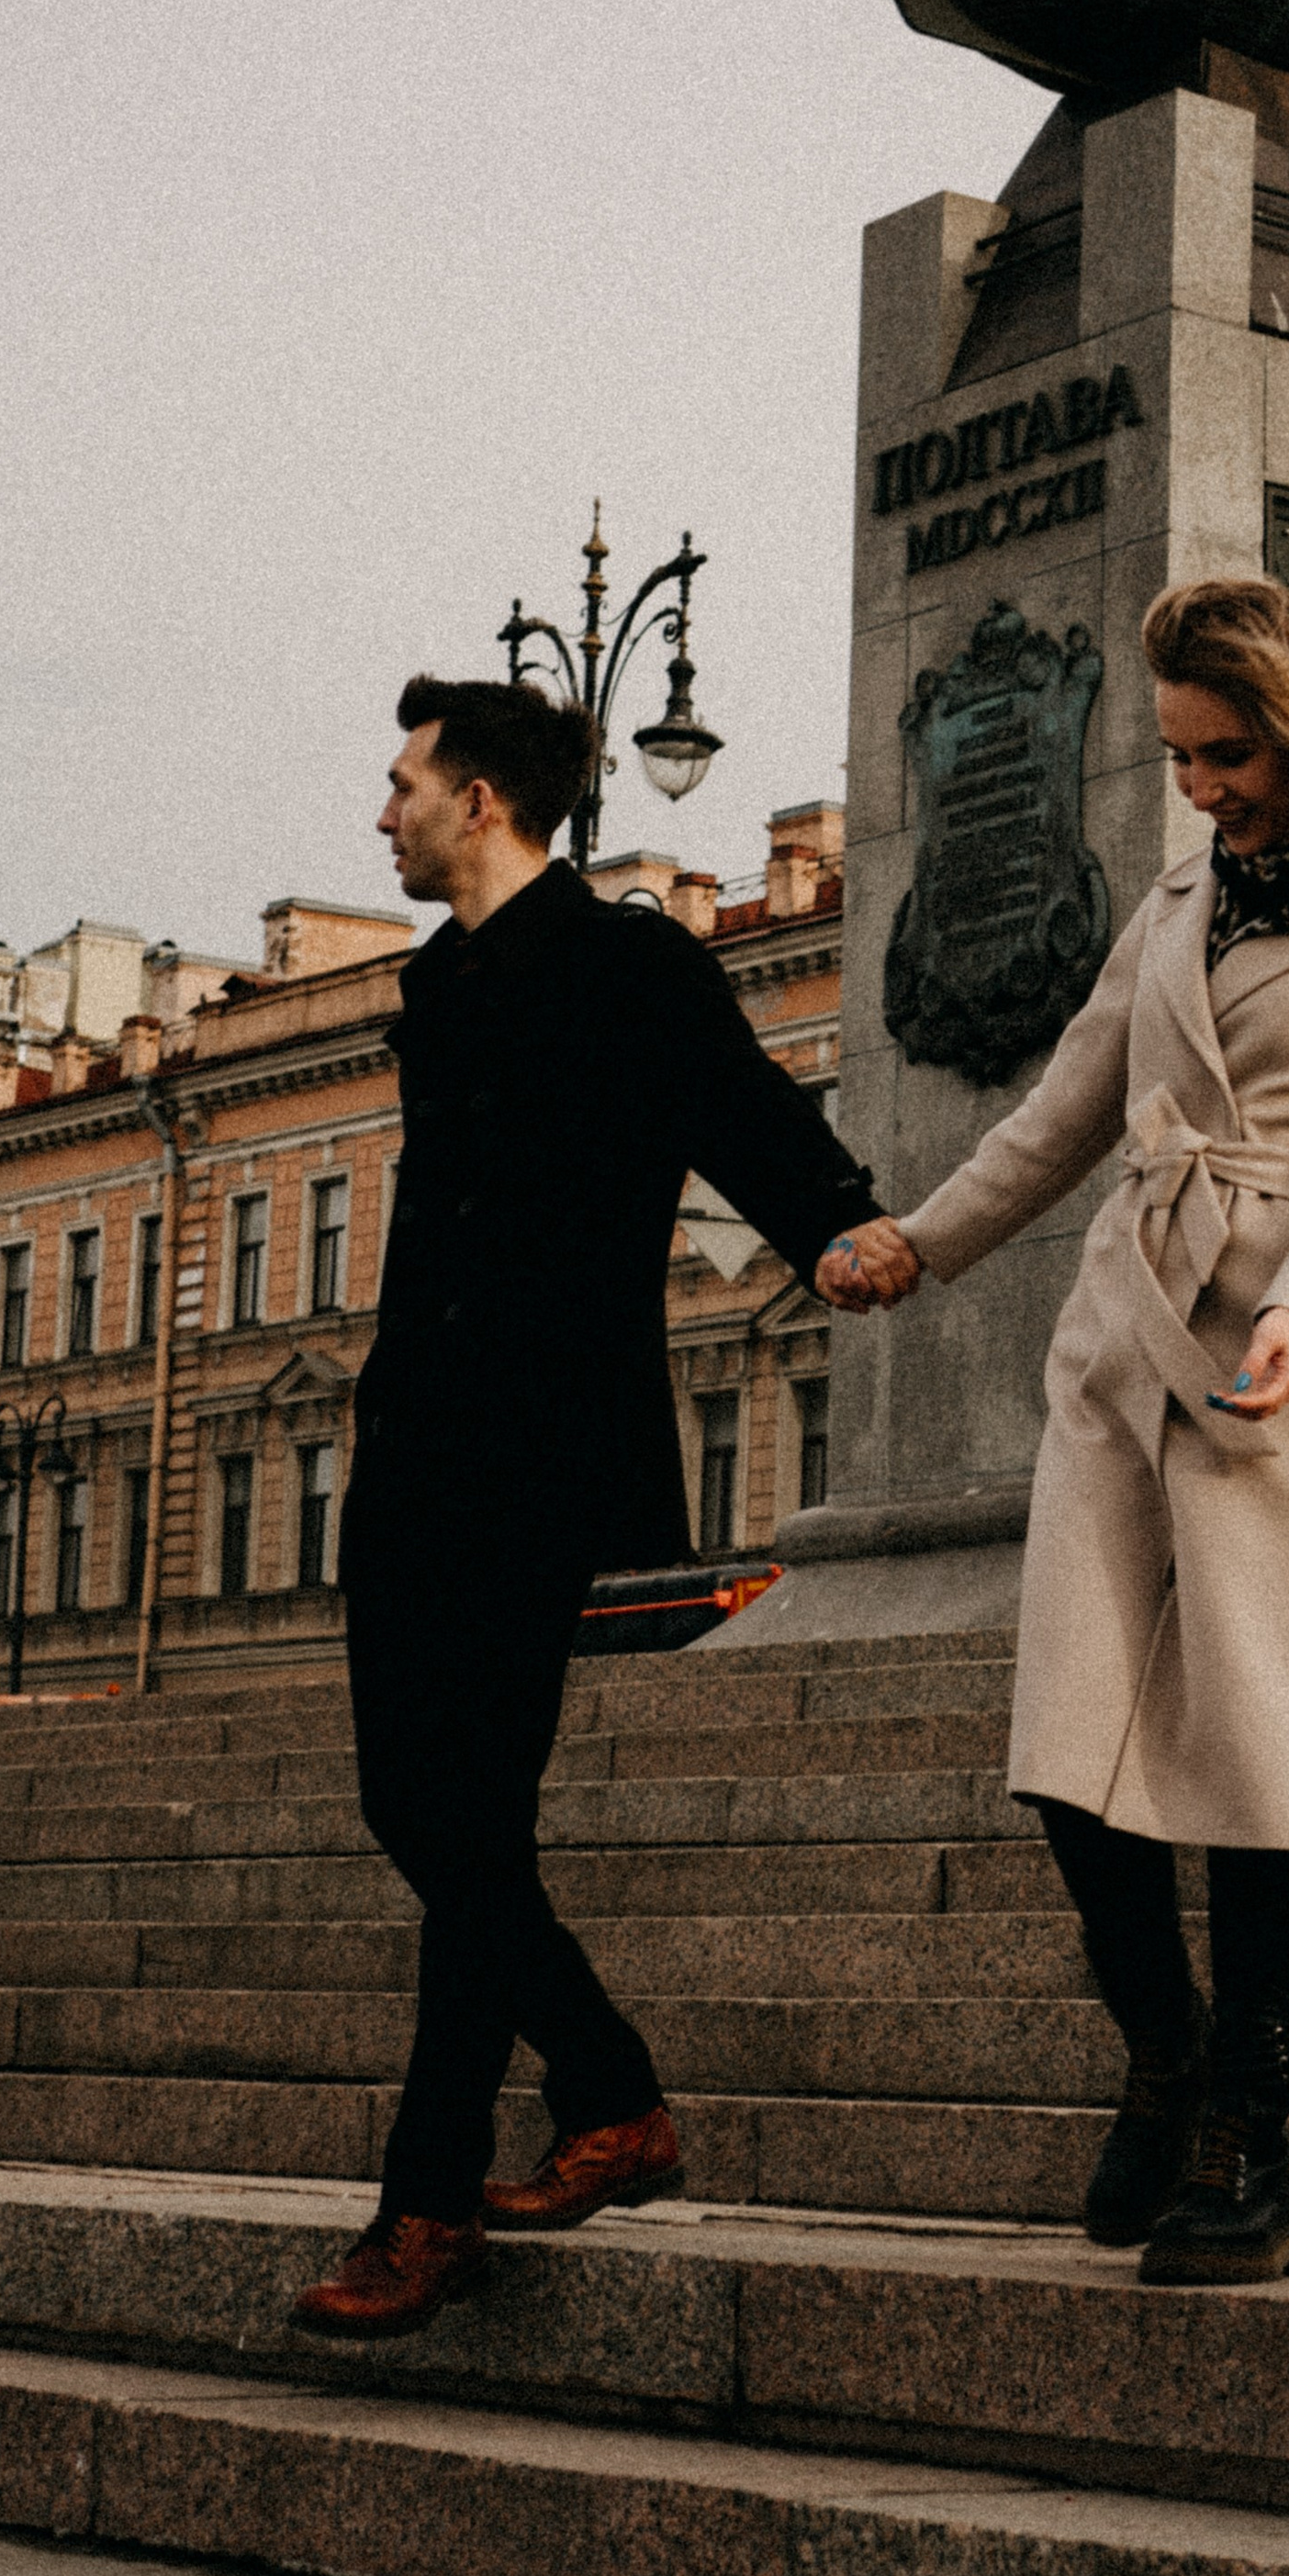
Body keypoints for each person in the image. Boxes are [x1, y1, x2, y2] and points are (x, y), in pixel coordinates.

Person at [843, 578, 1289, 2284]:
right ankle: (1166, 2045)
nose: (1198, 790)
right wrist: (919, 1240)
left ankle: (1252, 2148)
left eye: (1225, 757)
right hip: (1130, 1329)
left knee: (1267, 1755)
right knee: (1070, 1735)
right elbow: (1069, 1105)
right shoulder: (1182, 893)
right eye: (1178, 759)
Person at [290, 673, 890, 2338]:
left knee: (467, 1816)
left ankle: (424, 2207)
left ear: (480, 800)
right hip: (414, 1443)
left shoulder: (627, 957)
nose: (384, 810)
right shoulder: (438, 978)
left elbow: (742, 1107)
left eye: (403, 780)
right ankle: (613, 2095)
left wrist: (839, 1223)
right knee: (418, 1815)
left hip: (542, 1450)